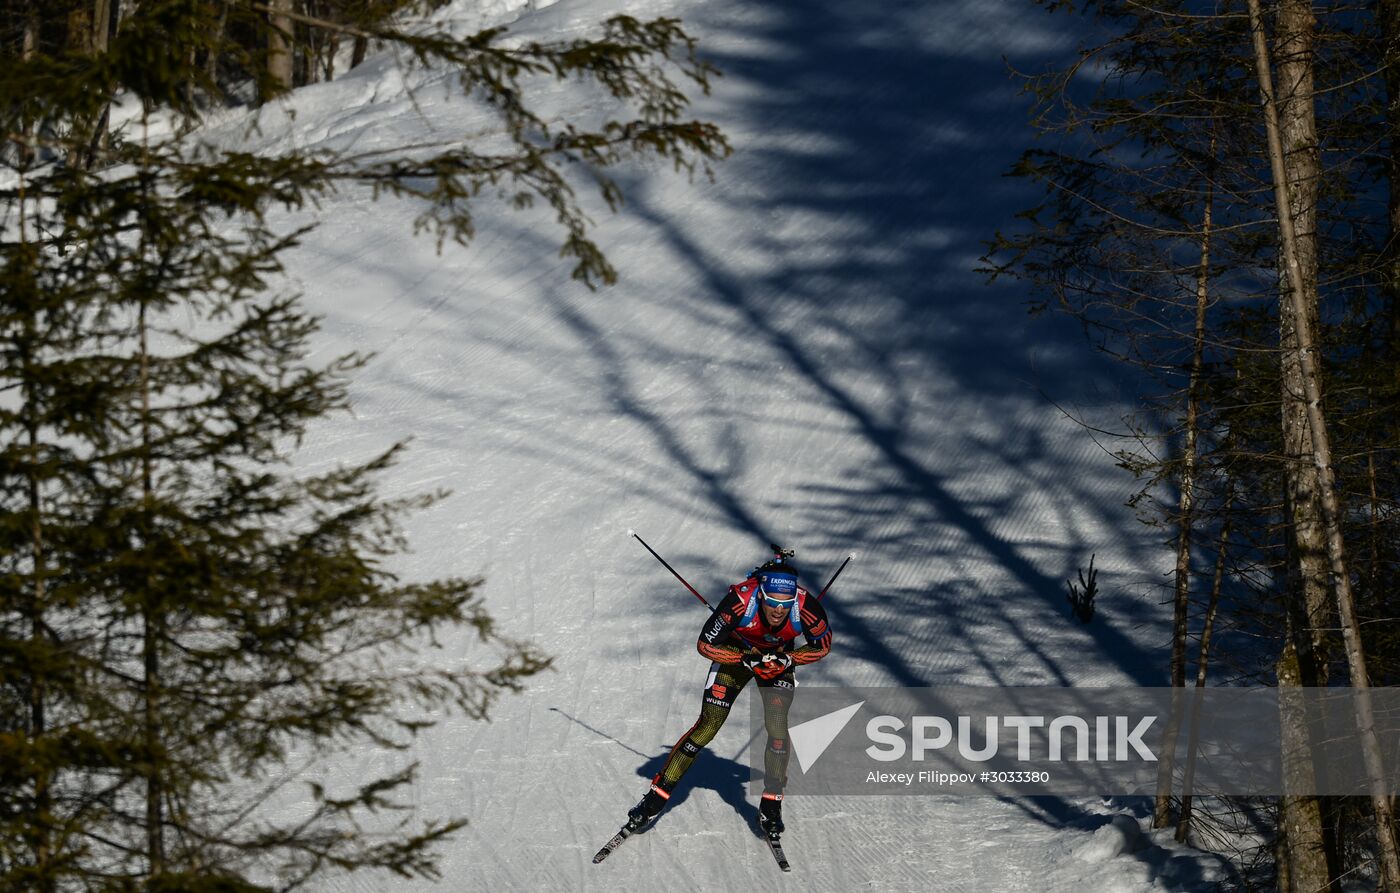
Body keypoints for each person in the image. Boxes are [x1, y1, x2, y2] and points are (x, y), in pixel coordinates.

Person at [624, 551, 833, 837]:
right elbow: (705, 645)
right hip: (735, 653)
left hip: (778, 659)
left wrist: (788, 660)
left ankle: (771, 805)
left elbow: (822, 646)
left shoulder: (804, 605)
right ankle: (655, 799)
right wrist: (744, 660)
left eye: (785, 605)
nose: (778, 611)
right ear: (761, 595)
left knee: (777, 728)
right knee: (707, 726)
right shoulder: (741, 600)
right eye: (772, 602)